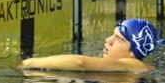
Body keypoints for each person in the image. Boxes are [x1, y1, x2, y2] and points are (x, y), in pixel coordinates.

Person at [21, 19, 157, 72]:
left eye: (118, 39)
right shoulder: (126, 69)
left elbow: (81, 63)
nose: (108, 40)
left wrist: (28, 63)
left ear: (134, 51)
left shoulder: (134, 65)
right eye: (112, 35)